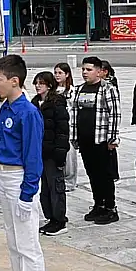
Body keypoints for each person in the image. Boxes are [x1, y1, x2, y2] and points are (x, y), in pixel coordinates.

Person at [0, 56, 50, 271]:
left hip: (18, 179)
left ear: (14, 81)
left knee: (28, 245)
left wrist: (28, 194)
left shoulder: (27, 113)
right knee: (14, 243)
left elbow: (33, 156)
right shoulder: (5, 108)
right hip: (4, 177)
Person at [69, 56, 121, 225]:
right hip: (85, 140)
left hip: (101, 140)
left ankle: (110, 207)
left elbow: (114, 114)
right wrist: (74, 137)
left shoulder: (108, 89)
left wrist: (112, 138)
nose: (85, 72)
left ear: (99, 72)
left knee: (105, 174)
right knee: (92, 174)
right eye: (83, 69)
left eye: (89, 69)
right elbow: (74, 114)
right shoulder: (78, 90)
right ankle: (98, 204)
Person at [31, 71, 69, 236]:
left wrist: (60, 153)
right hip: (40, 152)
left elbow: (62, 130)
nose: (38, 86)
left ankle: (59, 219)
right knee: (44, 187)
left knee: (56, 186)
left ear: (49, 85)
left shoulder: (57, 102)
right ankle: (50, 217)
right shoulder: (35, 102)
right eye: (37, 83)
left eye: (42, 83)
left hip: (53, 152)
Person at [54, 63, 79, 193]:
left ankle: (70, 181)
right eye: (56, 73)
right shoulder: (52, 91)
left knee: (70, 156)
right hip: (56, 127)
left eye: (60, 73)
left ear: (67, 74)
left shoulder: (73, 91)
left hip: (70, 127)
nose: (57, 75)